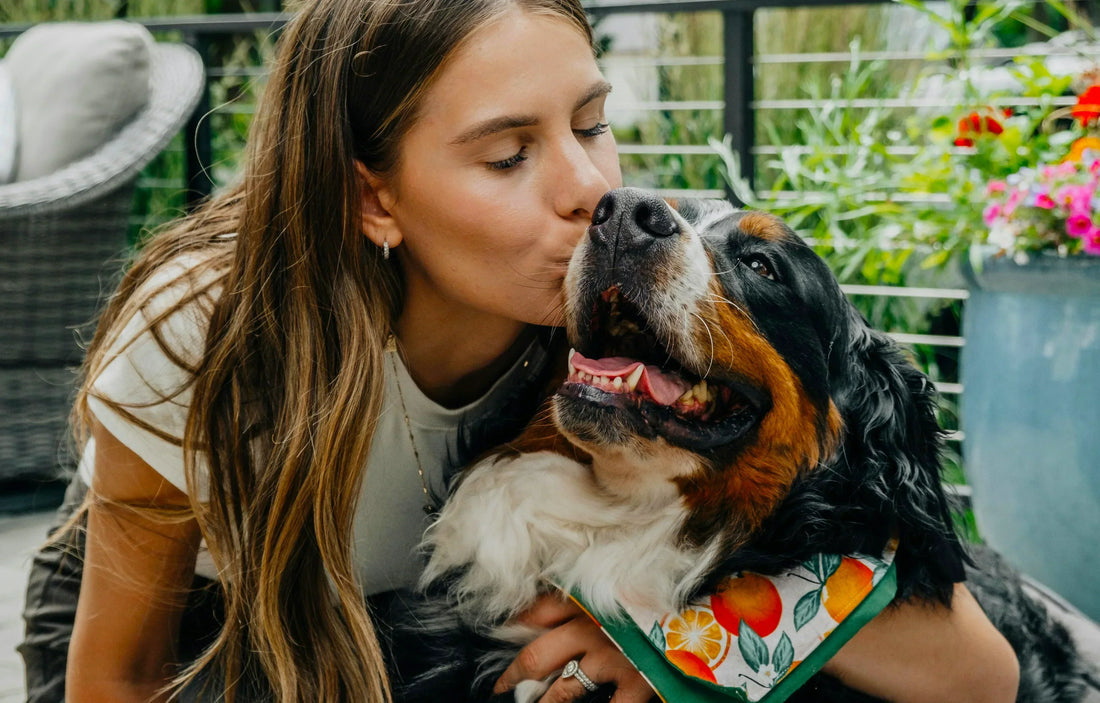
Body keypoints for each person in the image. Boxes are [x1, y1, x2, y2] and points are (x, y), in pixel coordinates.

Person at [18, 1, 1025, 702]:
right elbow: (115, 681)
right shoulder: (209, 332)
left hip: (409, 629)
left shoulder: (591, 312)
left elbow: (977, 672)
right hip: (205, 623)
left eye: (593, 123)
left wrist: (682, 646)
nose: (592, 190)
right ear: (375, 196)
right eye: (508, 154)